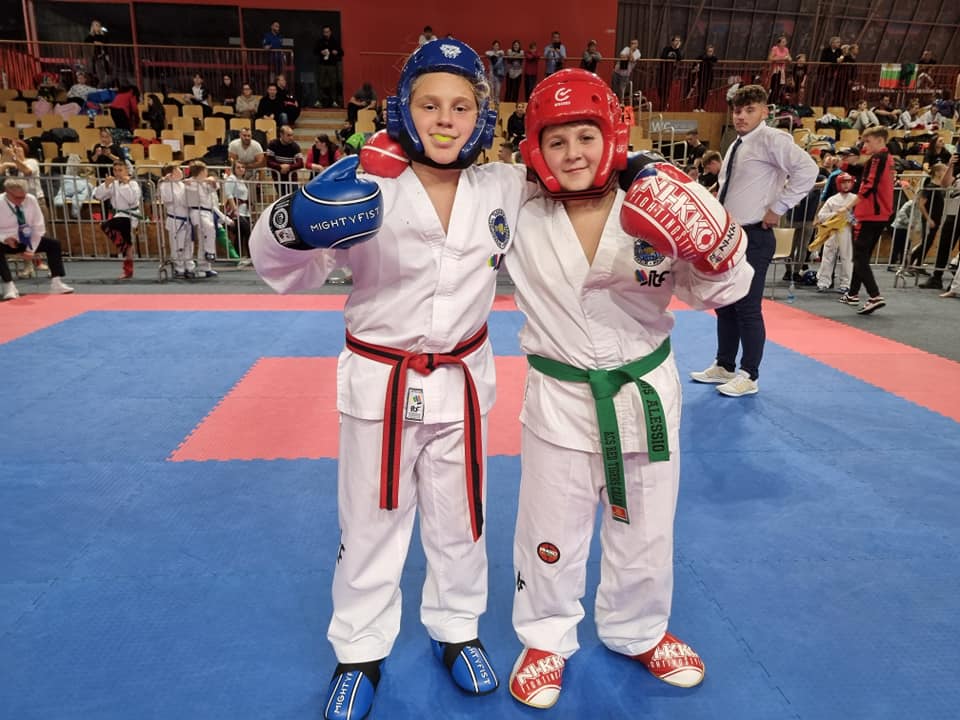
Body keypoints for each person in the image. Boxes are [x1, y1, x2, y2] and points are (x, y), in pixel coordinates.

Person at [249, 38, 536, 720]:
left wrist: (635, 165)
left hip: (462, 381)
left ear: (482, 115)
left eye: (461, 106)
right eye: (430, 104)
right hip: (381, 381)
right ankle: (359, 651)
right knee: (370, 521)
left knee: (462, 519)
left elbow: (573, 184)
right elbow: (285, 271)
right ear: (403, 108)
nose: (445, 119)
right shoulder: (366, 181)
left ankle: (456, 629)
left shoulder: (504, 187)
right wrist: (294, 222)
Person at [503, 68, 752, 710]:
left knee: (646, 530)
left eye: (585, 137)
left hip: (644, 394)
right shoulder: (517, 208)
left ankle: (638, 630)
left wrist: (718, 242)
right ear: (536, 150)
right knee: (548, 529)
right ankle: (545, 639)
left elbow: (720, 291)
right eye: (557, 141)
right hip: (559, 398)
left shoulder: (653, 202)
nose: (573, 153)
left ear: (611, 136)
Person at [691, 84, 818, 396]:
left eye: (749, 110)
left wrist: (779, 207)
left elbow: (808, 170)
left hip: (755, 235)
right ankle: (724, 364)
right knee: (725, 303)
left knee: (747, 306)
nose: (741, 116)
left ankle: (749, 374)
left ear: (764, 111)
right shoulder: (736, 144)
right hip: (730, 236)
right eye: (737, 111)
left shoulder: (772, 139)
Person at [836, 126, 894, 314]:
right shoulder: (886, 158)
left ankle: (874, 295)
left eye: (868, 141)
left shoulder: (878, 158)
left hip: (870, 213)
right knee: (863, 256)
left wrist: (848, 206)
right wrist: (844, 165)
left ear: (879, 140)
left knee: (860, 257)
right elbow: (863, 173)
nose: (864, 145)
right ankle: (853, 294)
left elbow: (868, 185)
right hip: (880, 213)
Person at [0, 178, 74, 299]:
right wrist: (4, 238)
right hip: (6, 240)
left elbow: (39, 227)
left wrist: (31, 249)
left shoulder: (31, 199)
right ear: (7, 192)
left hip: (27, 239)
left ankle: (56, 282)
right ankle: (9, 285)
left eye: (23, 196)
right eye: (17, 198)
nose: (21, 200)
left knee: (53, 244)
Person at [93, 160, 142, 280]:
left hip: (130, 215)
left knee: (124, 238)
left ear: (126, 171)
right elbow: (98, 196)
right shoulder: (113, 184)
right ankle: (125, 251)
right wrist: (105, 185)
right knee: (107, 227)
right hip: (119, 215)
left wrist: (125, 185)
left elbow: (131, 200)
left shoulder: (133, 184)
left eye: (120, 170)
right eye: (115, 170)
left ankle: (127, 267)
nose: (117, 173)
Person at [920, 154, 960, 289]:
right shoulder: (957, 166)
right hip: (954, 209)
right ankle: (937, 277)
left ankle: (956, 283)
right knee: (945, 242)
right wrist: (951, 165)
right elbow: (945, 184)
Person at [813, 172, 855, 293]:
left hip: (847, 230)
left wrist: (850, 219)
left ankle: (846, 283)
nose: (846, 185)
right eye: (843, 182)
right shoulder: (832, 199)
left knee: (847, 257)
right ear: (838, 184)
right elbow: (821, 215)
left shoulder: (854, 199)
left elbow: (860, 217)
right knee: (827, 255)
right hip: (832, 230)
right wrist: (836, 215)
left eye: (848, 182)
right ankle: (823, 282)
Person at [183, 160, 220, 278]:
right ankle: (210, 252)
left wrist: (212, 181)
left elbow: (215, 188)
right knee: (209, 228)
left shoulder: (207, 182)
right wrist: (188, 182)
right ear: (201, 172)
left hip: (207, 211)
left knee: (204, 238)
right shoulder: (189, 182)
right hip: (197, 211)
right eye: (205, 171)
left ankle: (205, 267)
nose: (207, 173)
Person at [158, 163, 194, 278]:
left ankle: (189, 266)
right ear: (171, 173)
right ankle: (179, 268)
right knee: (177, 245)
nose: (181, 172)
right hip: (175, 219)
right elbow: (168, 199)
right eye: (178, 170)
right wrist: (167, 182)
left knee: (188, 244)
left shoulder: (182, 184)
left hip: (187, 218)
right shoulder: (165, 185)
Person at [223, 160, 252, 260]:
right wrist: (234, 209)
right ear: (234, 169)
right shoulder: (231, 179)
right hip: (237, 210)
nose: (241, 169)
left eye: (243, 167)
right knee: (247, 232)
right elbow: (229, 194)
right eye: (238, 167)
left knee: (241, 234)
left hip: (245, 211)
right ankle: (248, 255)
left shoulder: (242, 181)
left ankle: (239, 256)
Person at [266, 125, 303, 195]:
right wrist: (280, 167)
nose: (291, 138)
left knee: (294, 197)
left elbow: (300, 163)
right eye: (288, 135)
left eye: (292, 135)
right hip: (278, 177)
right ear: (281, 135)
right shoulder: (273, 144)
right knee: (282, 197)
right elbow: (269, 161)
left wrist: (288, 167)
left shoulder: (295, 146)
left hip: (292, 178)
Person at [315, 26, 344, 109]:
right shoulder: (320, 41)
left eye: (327, 32)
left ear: (330, 32)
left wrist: (336, 52)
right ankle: (319, 101)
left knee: (333, 84)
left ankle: (334, 101)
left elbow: (342, 53)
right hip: (322, 65)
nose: (326, 33)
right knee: (320, 83)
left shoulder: (334, 41)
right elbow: (314, 51)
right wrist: (321, 52)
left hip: (332, 65)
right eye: (324, 32)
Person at [658, 35, 683, 110]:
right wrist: (671, 58)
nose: (677, 42)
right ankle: (662, 102)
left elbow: (680, 58)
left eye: (679, 41)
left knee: (667, 88)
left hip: (671, 72)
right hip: (663, 71)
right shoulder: (667, 48)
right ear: (672, 42)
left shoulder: (678, 50)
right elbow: (663, 56)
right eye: (676, 40)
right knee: (661, 88)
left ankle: (664, 103)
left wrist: (677, 49)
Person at [612, 39, 641, 103]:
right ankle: (613, 103)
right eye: (632, 43)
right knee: (614, 89)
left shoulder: (638, 53)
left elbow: (632, 59)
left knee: (621, 90)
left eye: (635, 43)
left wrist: (630, 52)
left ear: (637, 45)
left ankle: (620, 104)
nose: (633, 45)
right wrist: (629, 56)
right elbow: (622, 56)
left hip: (625, 75)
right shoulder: (626, 48)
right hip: (617, 72)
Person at [767, 35, 792, 106]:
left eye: (785, 42)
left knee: (780, 87)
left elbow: (790, 59)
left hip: (782, 70)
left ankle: (776, 102)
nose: (785, 43)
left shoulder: (786, 49)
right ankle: (770, 102)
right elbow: (770, 58)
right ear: (779, 43)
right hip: (775, 70)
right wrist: (783, 58)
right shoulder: (775, 48)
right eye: (783, 42)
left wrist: (788, 59)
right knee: (774, 87)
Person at [86, 20, 111, 86]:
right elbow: (86, 41)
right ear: (93, 27)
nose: (98, 26)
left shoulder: (104, 35)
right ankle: (101, 83)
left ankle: (106, 82)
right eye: (96, 25)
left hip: (104, 54)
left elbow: (105, 43)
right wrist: (95, 42)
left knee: (107, 70)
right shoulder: (91, 35)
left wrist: (98, 43)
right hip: (96, 55)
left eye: (99, 25)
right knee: (99, 71)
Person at [693, 44, 718, 111]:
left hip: (709, 78)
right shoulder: (702, 56)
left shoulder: (713, 57)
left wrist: (710, 57)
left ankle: (702, 107)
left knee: (706, 93)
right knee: (700, 92)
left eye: (711, 51)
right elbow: (697, 59)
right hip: (702, 77)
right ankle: (696, 107)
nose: (710, 53)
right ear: (706, 51)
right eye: (709, 51)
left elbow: (716, 59)